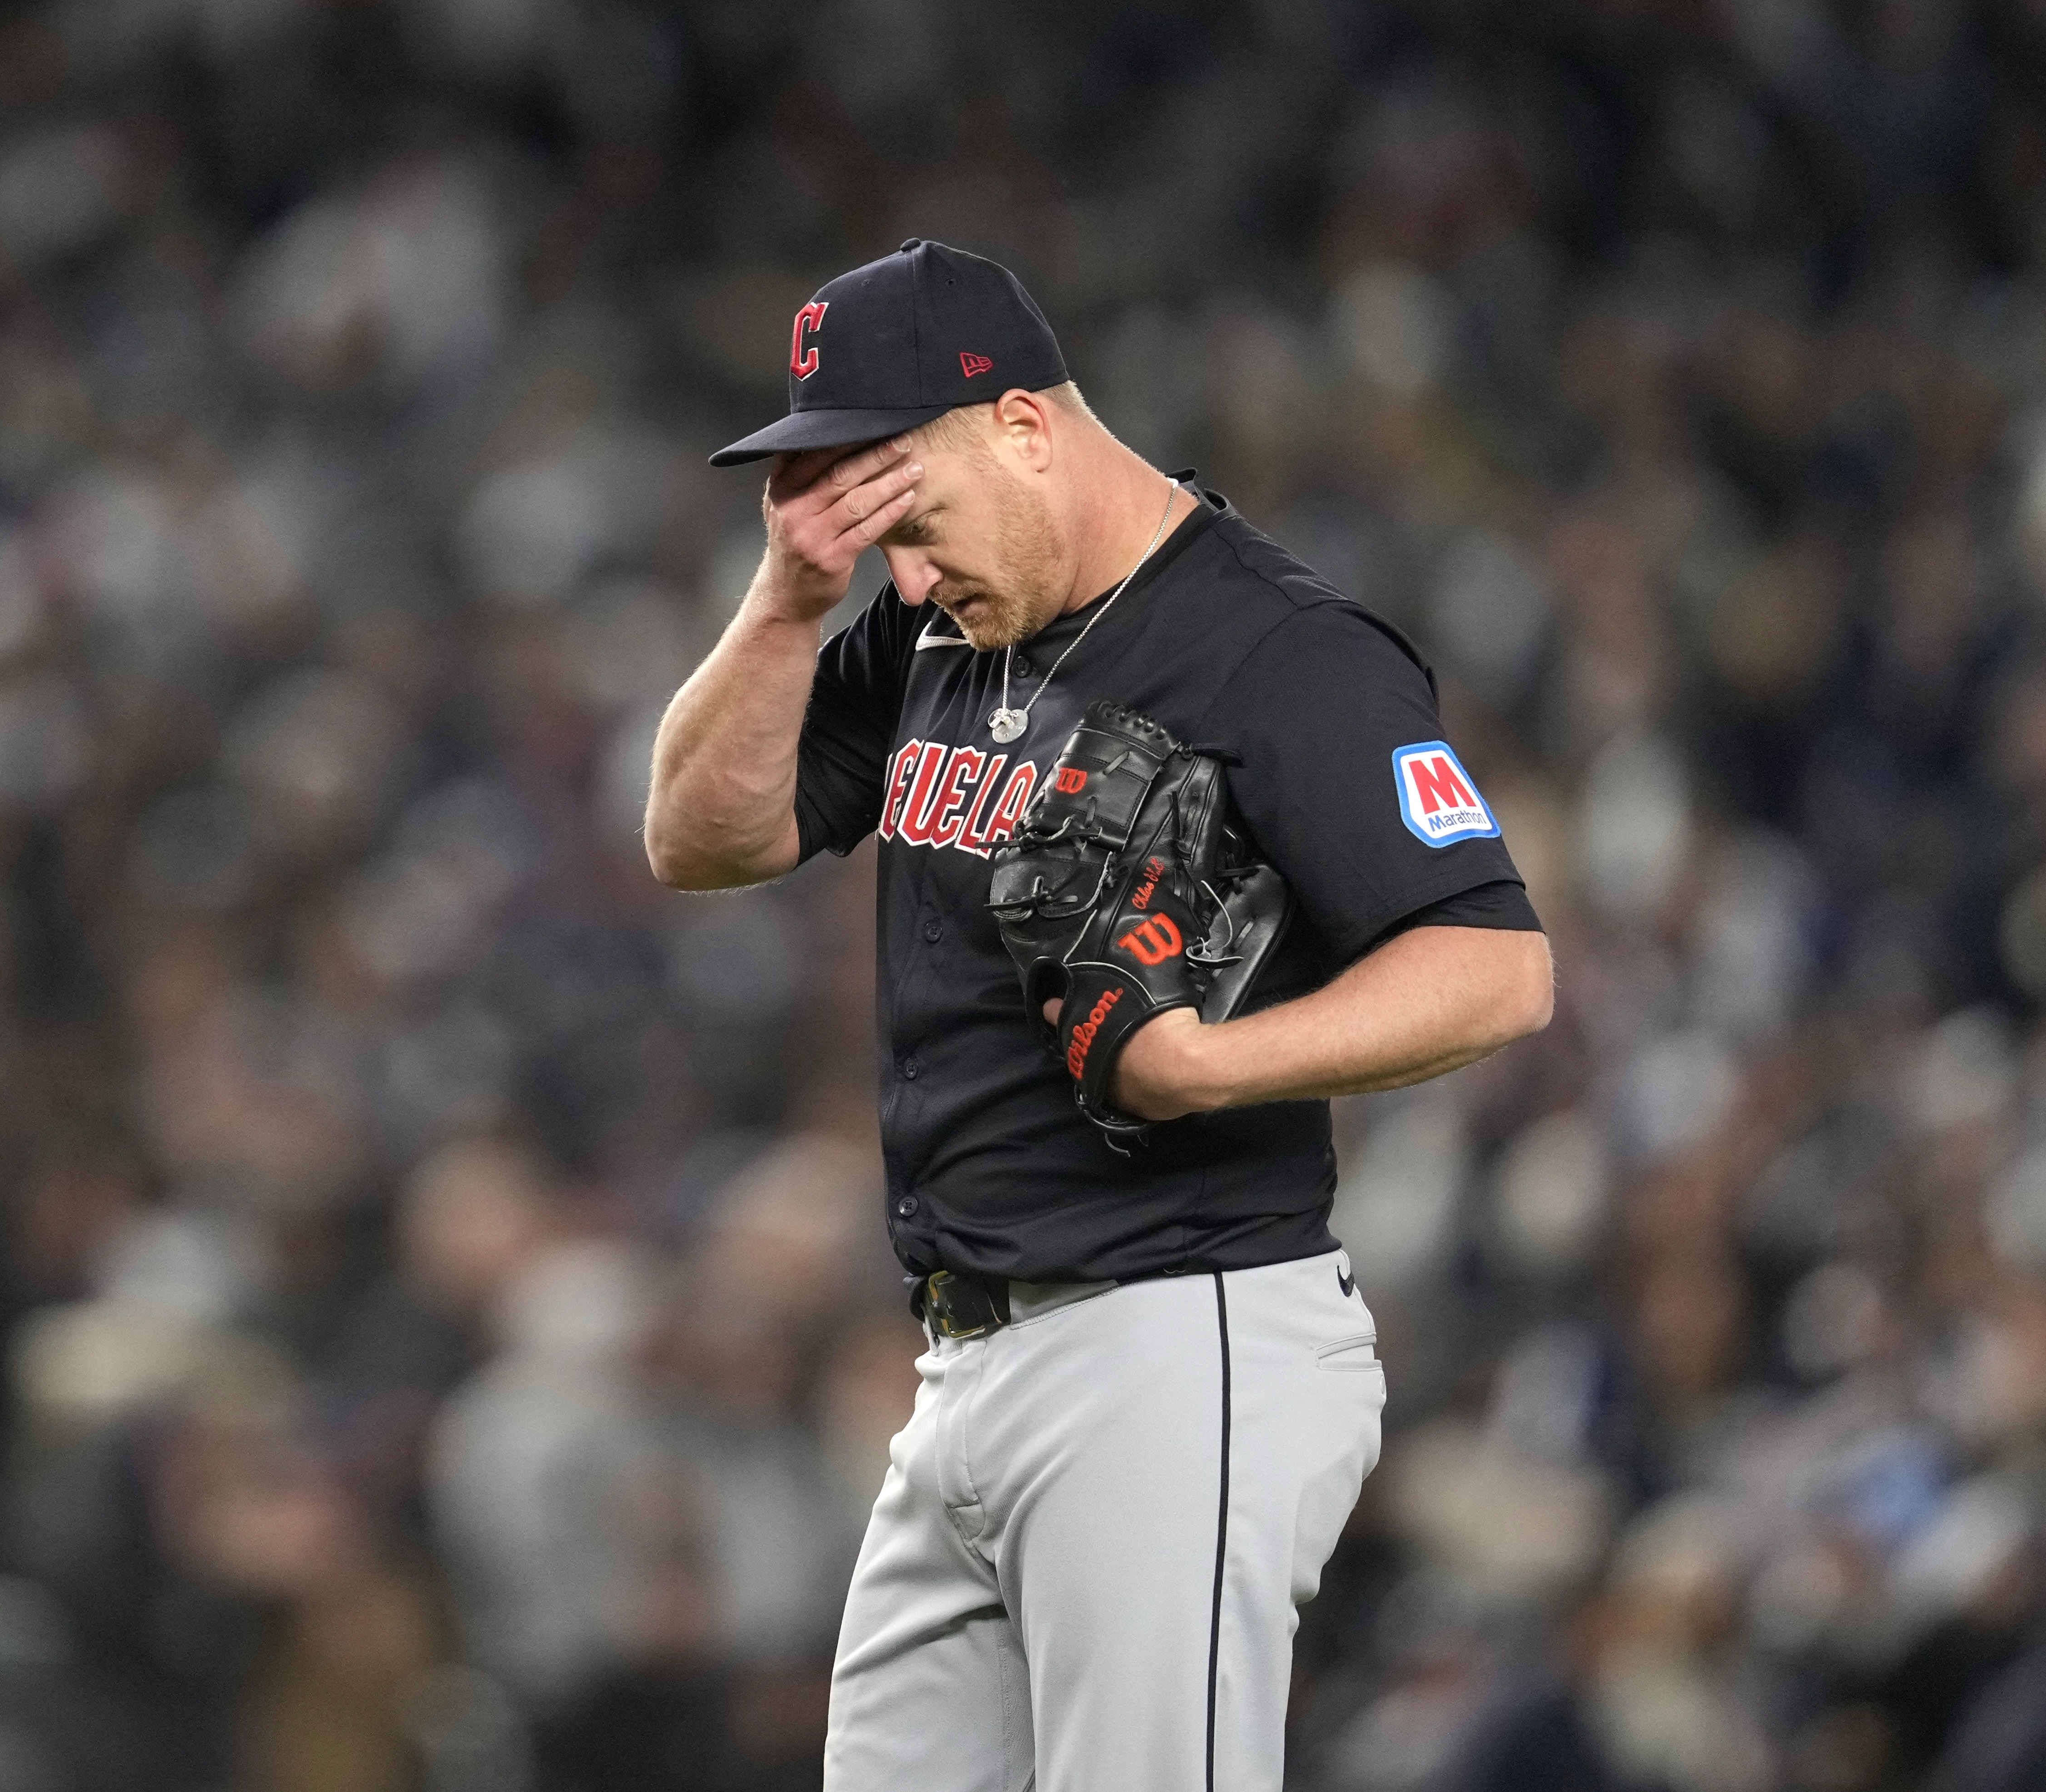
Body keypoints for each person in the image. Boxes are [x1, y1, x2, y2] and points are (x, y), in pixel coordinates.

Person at [643, 238, 1554, 1792]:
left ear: (1018, 426)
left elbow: (1493, 965)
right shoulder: (941, 626)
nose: (907, 575)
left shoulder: (1276, 647)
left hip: (1175, 1333)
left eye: (909, 520)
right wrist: (794, 603)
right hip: (966, 1362)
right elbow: (698, 837)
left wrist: (1206, 1063)